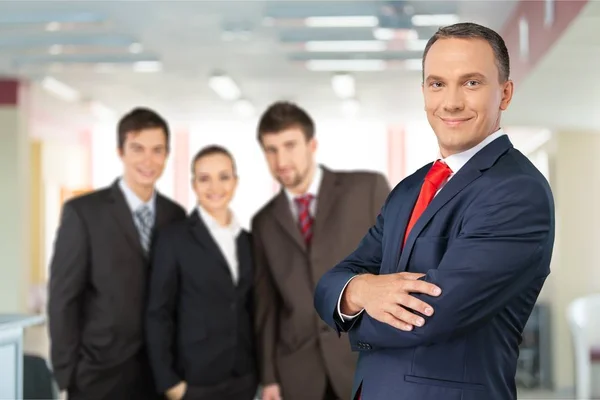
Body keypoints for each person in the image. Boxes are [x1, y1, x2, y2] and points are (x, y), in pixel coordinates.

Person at [314, 22, 555, 400]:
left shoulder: (517, 192)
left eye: (471, 83)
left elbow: (430, 317)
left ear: (505, 93)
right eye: (437, 83)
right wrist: (360, 288)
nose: (452, 102)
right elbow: (334, 279)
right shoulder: (411, 188)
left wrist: (351, 304)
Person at [251, 101, 391, 400]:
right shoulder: (263, 222)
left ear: (311, 145)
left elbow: (398, 268)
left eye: (289, 145)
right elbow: (267, 306)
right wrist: (269, 379)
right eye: (271, 149)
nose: (281, 159)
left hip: (364, 364)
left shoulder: (366, 189)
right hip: (297, 373)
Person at [47, 107, 187, 399]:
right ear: (120, 152)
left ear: (167, 155)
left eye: (157, 150)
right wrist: (67, 375)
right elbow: (63, 299)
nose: (148, 160)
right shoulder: (84, 213)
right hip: (97, 376)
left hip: (160, 377)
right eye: (138, 149)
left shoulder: (176, 216)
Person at [146, 145, 258, 400]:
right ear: (194, 185)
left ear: (236, 182)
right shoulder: (173, 238)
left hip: (243, 377)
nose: (215, 187)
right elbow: (158, 314)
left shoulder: (248, 241)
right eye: (204, 178)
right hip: (194, 381)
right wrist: (169, 382)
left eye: (223, 177)